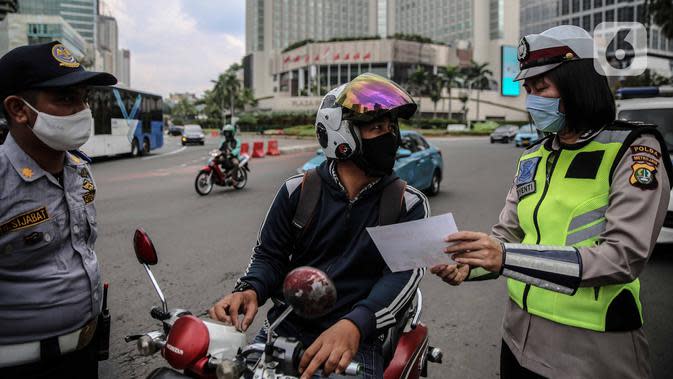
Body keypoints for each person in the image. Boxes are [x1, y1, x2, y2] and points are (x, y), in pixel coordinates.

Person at [431, 25, 673, 378]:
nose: (532, 100)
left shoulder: (632, 150)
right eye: (529, 90)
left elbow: (622, 257)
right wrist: (470, 265)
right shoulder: (533, 157)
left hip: (592, 351)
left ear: (579, 82)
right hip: (517, 340)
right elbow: (507, 236)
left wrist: (506, 258)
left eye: (541, 87)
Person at [209, 73, 429, 379]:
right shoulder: (296, 191)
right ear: (342, 134)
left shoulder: (409, 202)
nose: (390, 137)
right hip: (284, 328)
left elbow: (402, 278)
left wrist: (356, 324)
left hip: (357, 340)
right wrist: (250, 289)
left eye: (392, 127)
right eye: (377, 127)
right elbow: (269, 256)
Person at [0, 41, 117, 378]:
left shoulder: (79, 169)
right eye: (66, 99)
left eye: (84, 97)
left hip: (83, 354)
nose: (82, 110)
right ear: (18, 109)